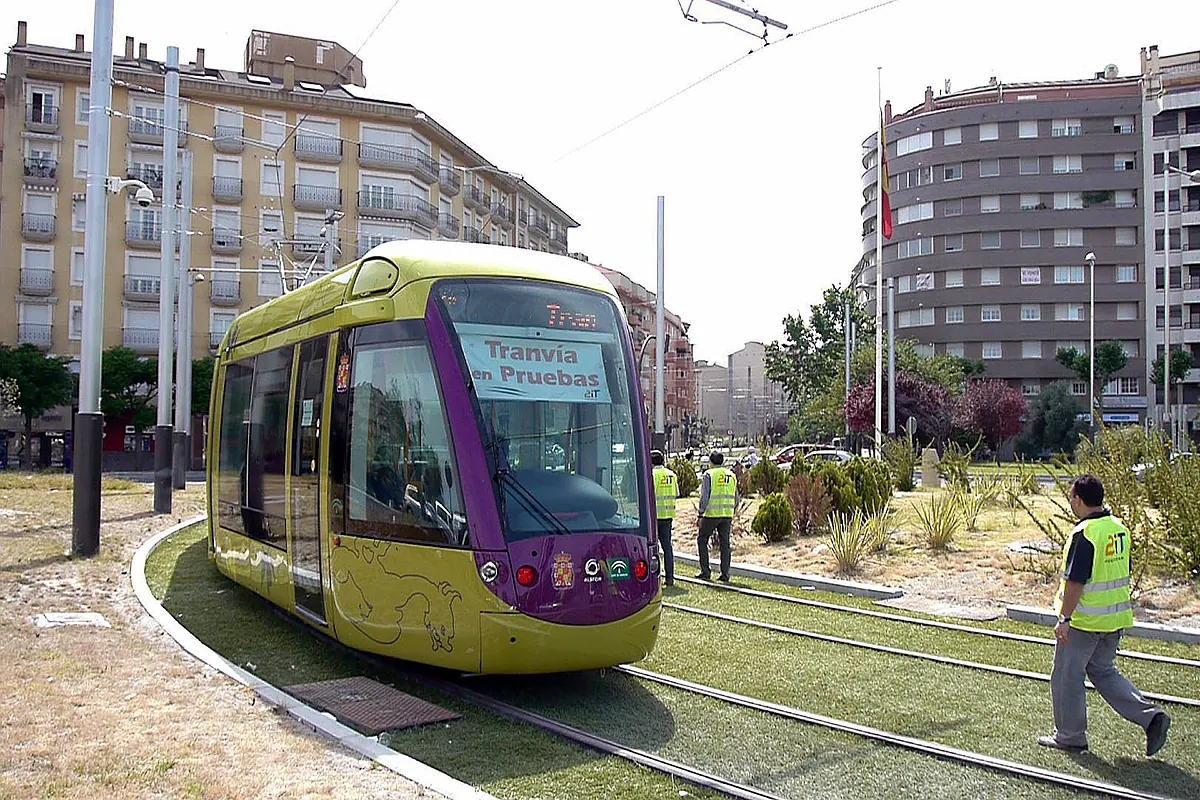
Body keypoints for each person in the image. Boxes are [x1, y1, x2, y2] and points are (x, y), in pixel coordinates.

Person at [1038, 474, 1170, 756]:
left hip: (1084, 622)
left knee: (1066, 676)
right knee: (1103, 672)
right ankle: (1151, 717)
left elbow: (1076, 582)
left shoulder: (1085, 534)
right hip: (1114, 619)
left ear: (1079, 500)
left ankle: (1070, 736)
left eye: (1071, 497)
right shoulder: (1119, 529)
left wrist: (1064, 619)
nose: (1070, 502)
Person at [696, 450, 738, 582]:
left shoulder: (709, 474)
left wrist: (701, 513)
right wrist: (732, 509)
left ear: (711, 462)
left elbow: (705, 496)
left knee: (702, 540)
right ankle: (725, 573)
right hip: (727, 514)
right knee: (725, 544)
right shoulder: (731, 475)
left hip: (711, 514)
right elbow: (736, 498)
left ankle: (705, 571)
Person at [650, 450, 678, 586]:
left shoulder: (651, 475)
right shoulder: (672, 475)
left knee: (652, 548)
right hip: (668, 515)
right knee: (667, 547)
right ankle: (670, 577)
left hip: (654, 517)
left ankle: (654, 577)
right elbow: (677, 493)